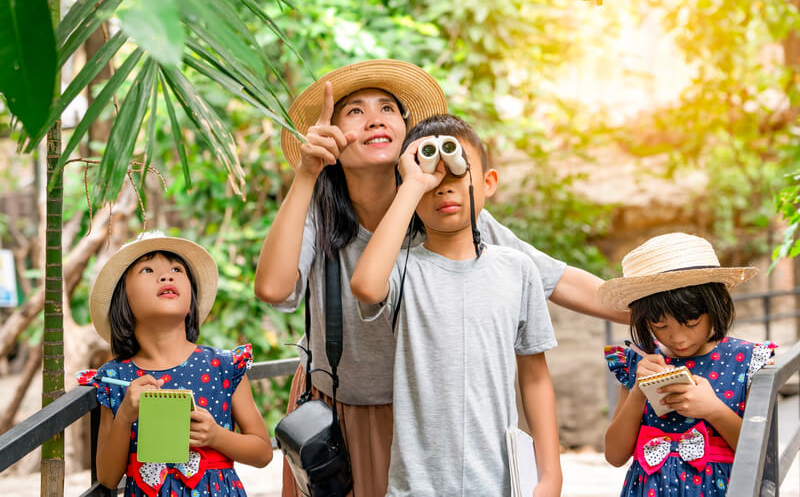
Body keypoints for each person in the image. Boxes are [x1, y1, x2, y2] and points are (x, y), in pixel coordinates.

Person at [254, 59, 625, 496]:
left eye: (388, 108)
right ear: (333, 136)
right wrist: (307, 172)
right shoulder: (321, 209)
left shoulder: (445, 210)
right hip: (337, 409)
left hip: (425, 417)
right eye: (354, 111)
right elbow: (274, 290)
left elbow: (558, 280)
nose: (374, 117)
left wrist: (658, 303)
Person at [350, 114, 562, 496]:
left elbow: (534, 376)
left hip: (498, 483)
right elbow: (365, 286)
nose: (443, 189)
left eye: (456, 175)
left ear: (488, 183)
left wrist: (551, 476)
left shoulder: (517, 270)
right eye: (432, 179)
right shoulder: (403, 271)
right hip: (417, 486)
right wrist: (413, 182)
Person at [89, 232, 273, 496]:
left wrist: (216, 436)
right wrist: (125, 416)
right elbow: (107, 477)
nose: (167, 276)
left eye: (177, 269)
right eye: (148, 269)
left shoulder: (223, 366)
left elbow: (263, 452)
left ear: (191, 304)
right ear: (124, 302)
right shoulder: (114, 377)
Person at [599, 233, 775, 496]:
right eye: (660, 325)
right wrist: (638, 391)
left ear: (720, 303)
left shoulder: (745, 360)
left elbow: (762, 452)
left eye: (691, 322)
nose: (678, 337)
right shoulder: (639, 362)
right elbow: (614, 455)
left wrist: (714, 409)